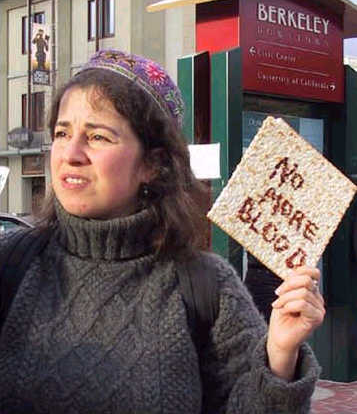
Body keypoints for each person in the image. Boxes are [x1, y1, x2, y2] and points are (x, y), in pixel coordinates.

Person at [0, 49, 325, 414]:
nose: (70, 153)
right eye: (62, 133)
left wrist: (281, 356)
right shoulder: (13, 264)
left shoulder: (204, 286)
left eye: (98, 137)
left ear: (152, 165)